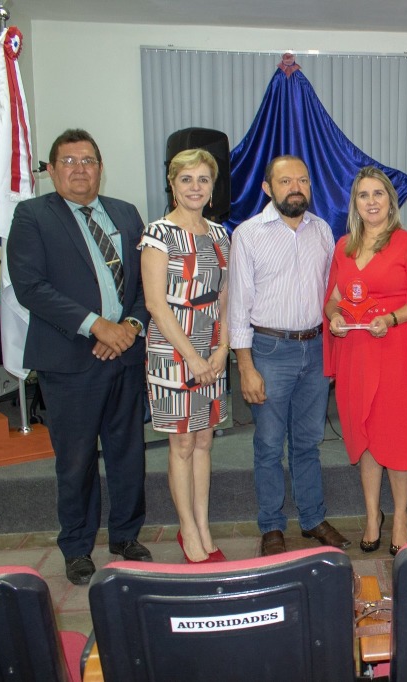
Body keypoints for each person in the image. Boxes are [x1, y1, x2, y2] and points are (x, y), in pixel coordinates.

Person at [8, 129, 152, 584]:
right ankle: (76, 546)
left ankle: (126, 535)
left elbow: (146, 283)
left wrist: (129, 327)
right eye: (68, 161)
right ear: (51, 171)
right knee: (76, 460)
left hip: (124, 354)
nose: (79, 169)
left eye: (88, 160)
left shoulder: (126, 214)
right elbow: (31, 287)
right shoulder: (32, 216)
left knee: (128, 453)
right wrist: (96, 325)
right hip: (70, 360)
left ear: (100, 168)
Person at [227, 155, 350, 556]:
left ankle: (312, 518)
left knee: (308, 442)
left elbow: (331, 293)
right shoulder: (248, 234)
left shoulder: (323, 231)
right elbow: (238, 306)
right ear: (267, 188)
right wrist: (246, 367)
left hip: (315, 348)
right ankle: (271, 525)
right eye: (285, 181)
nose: (295, 187)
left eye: (302, 180)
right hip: (269, 351)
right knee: (268, 444)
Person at [325, 166, 407, 555]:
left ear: (391, 202)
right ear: (355, 203)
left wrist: (391, 319)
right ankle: (373, 515)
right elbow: (333, 298)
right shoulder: (344, 246)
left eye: (378, 194)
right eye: (363, 195)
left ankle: (402, 516)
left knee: (396, 436)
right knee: (365, 437)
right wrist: (335, 317)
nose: (371, 201)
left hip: (396, 351)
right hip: (356, 354)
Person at [140, 148, 230, 563]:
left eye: (203, 180)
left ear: (212, 188)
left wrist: (222, 349)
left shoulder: (220, 234)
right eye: (187, 180)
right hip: (173, 352)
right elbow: (156, 305)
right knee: (182, 443)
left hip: (212, 349)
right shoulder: (158, 233)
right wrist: (193, 357)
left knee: (204, 441)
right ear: (172, 185)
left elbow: (226, 300)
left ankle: (204, 525)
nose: (195, 187)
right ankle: (187, 530)